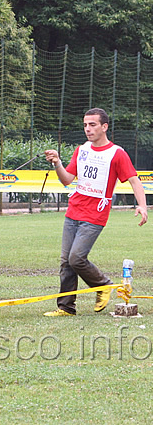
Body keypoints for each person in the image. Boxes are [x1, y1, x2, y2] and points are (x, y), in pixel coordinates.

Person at [43, 108, 148, 316]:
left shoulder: (116, 153)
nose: (87, 129)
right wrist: (57, 163)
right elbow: (67, 180)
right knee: (66, 261)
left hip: (95, 214)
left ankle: (103, 285)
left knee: (76, 258)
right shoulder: (81, 150)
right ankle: (66, 307)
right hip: (74, 210)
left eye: (92, 125)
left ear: (104, 127)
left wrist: (142, 205)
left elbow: (135, 180)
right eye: (85, 125)